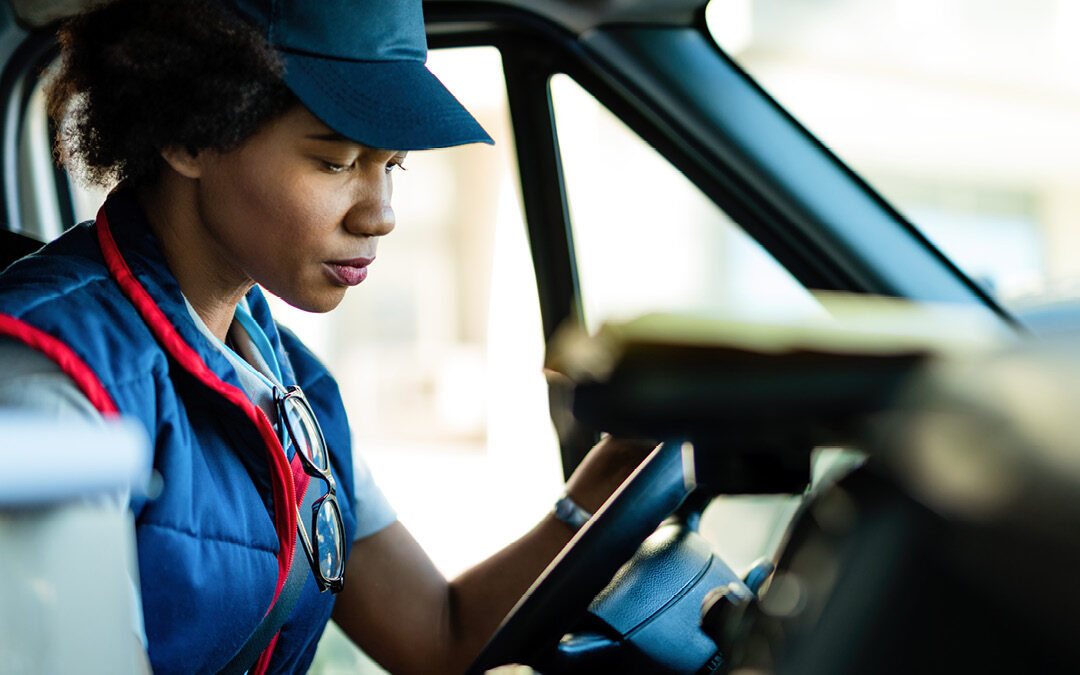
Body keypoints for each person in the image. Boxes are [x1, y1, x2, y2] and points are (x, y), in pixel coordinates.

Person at [0, 0, 654, 673]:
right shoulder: (48, 387)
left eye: (391, 165)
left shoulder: (286, 376)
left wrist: (614, 475)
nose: (382, 215)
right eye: (337, 162)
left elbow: (436, 632)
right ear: (189, 136)